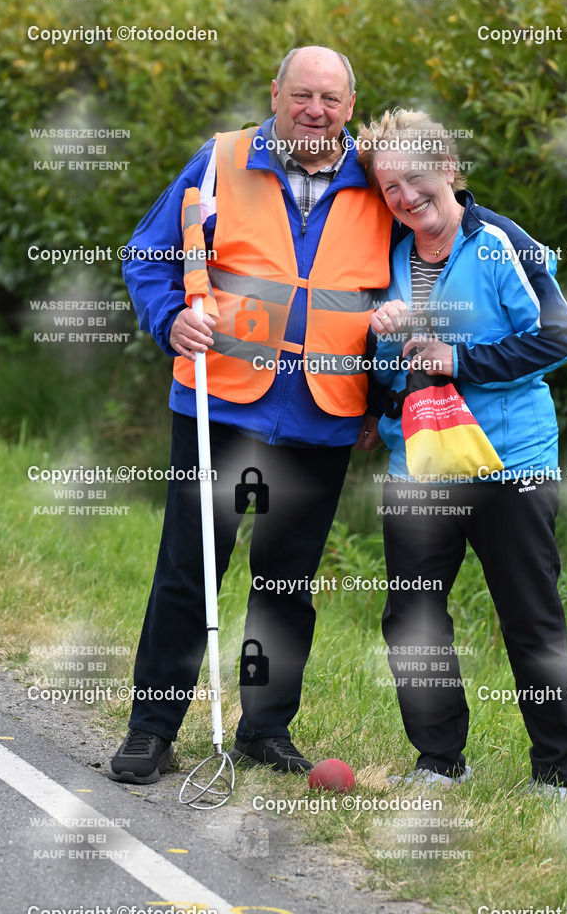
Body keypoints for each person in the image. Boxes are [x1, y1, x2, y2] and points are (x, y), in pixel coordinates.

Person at [110, 46, 394, 784]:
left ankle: (265, 730)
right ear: (275, 93)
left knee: (286, 583)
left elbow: (409, 286)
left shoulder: (379, 181)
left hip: (322, 414)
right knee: (188, 570)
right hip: (219, 399)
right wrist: (170, 317)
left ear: (349, 107)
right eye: (302, 95)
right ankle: (152, 729)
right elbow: (147, 253)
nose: (315, 111)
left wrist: (383, 400)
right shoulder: (220, 159)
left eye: (330, 100)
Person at [358, 108, 567, 798]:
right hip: (418, 465)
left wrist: (460, 357)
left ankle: (553, 774)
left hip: (505, 462)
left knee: (529, 615)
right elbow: (391, 366)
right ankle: (440, 761)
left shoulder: (498, 243)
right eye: (389, 188)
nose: (404, 198)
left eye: (415, 179)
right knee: (412, 615)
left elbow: (556, 337)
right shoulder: (388, 256)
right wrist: (380, 345)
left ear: (449, 170)